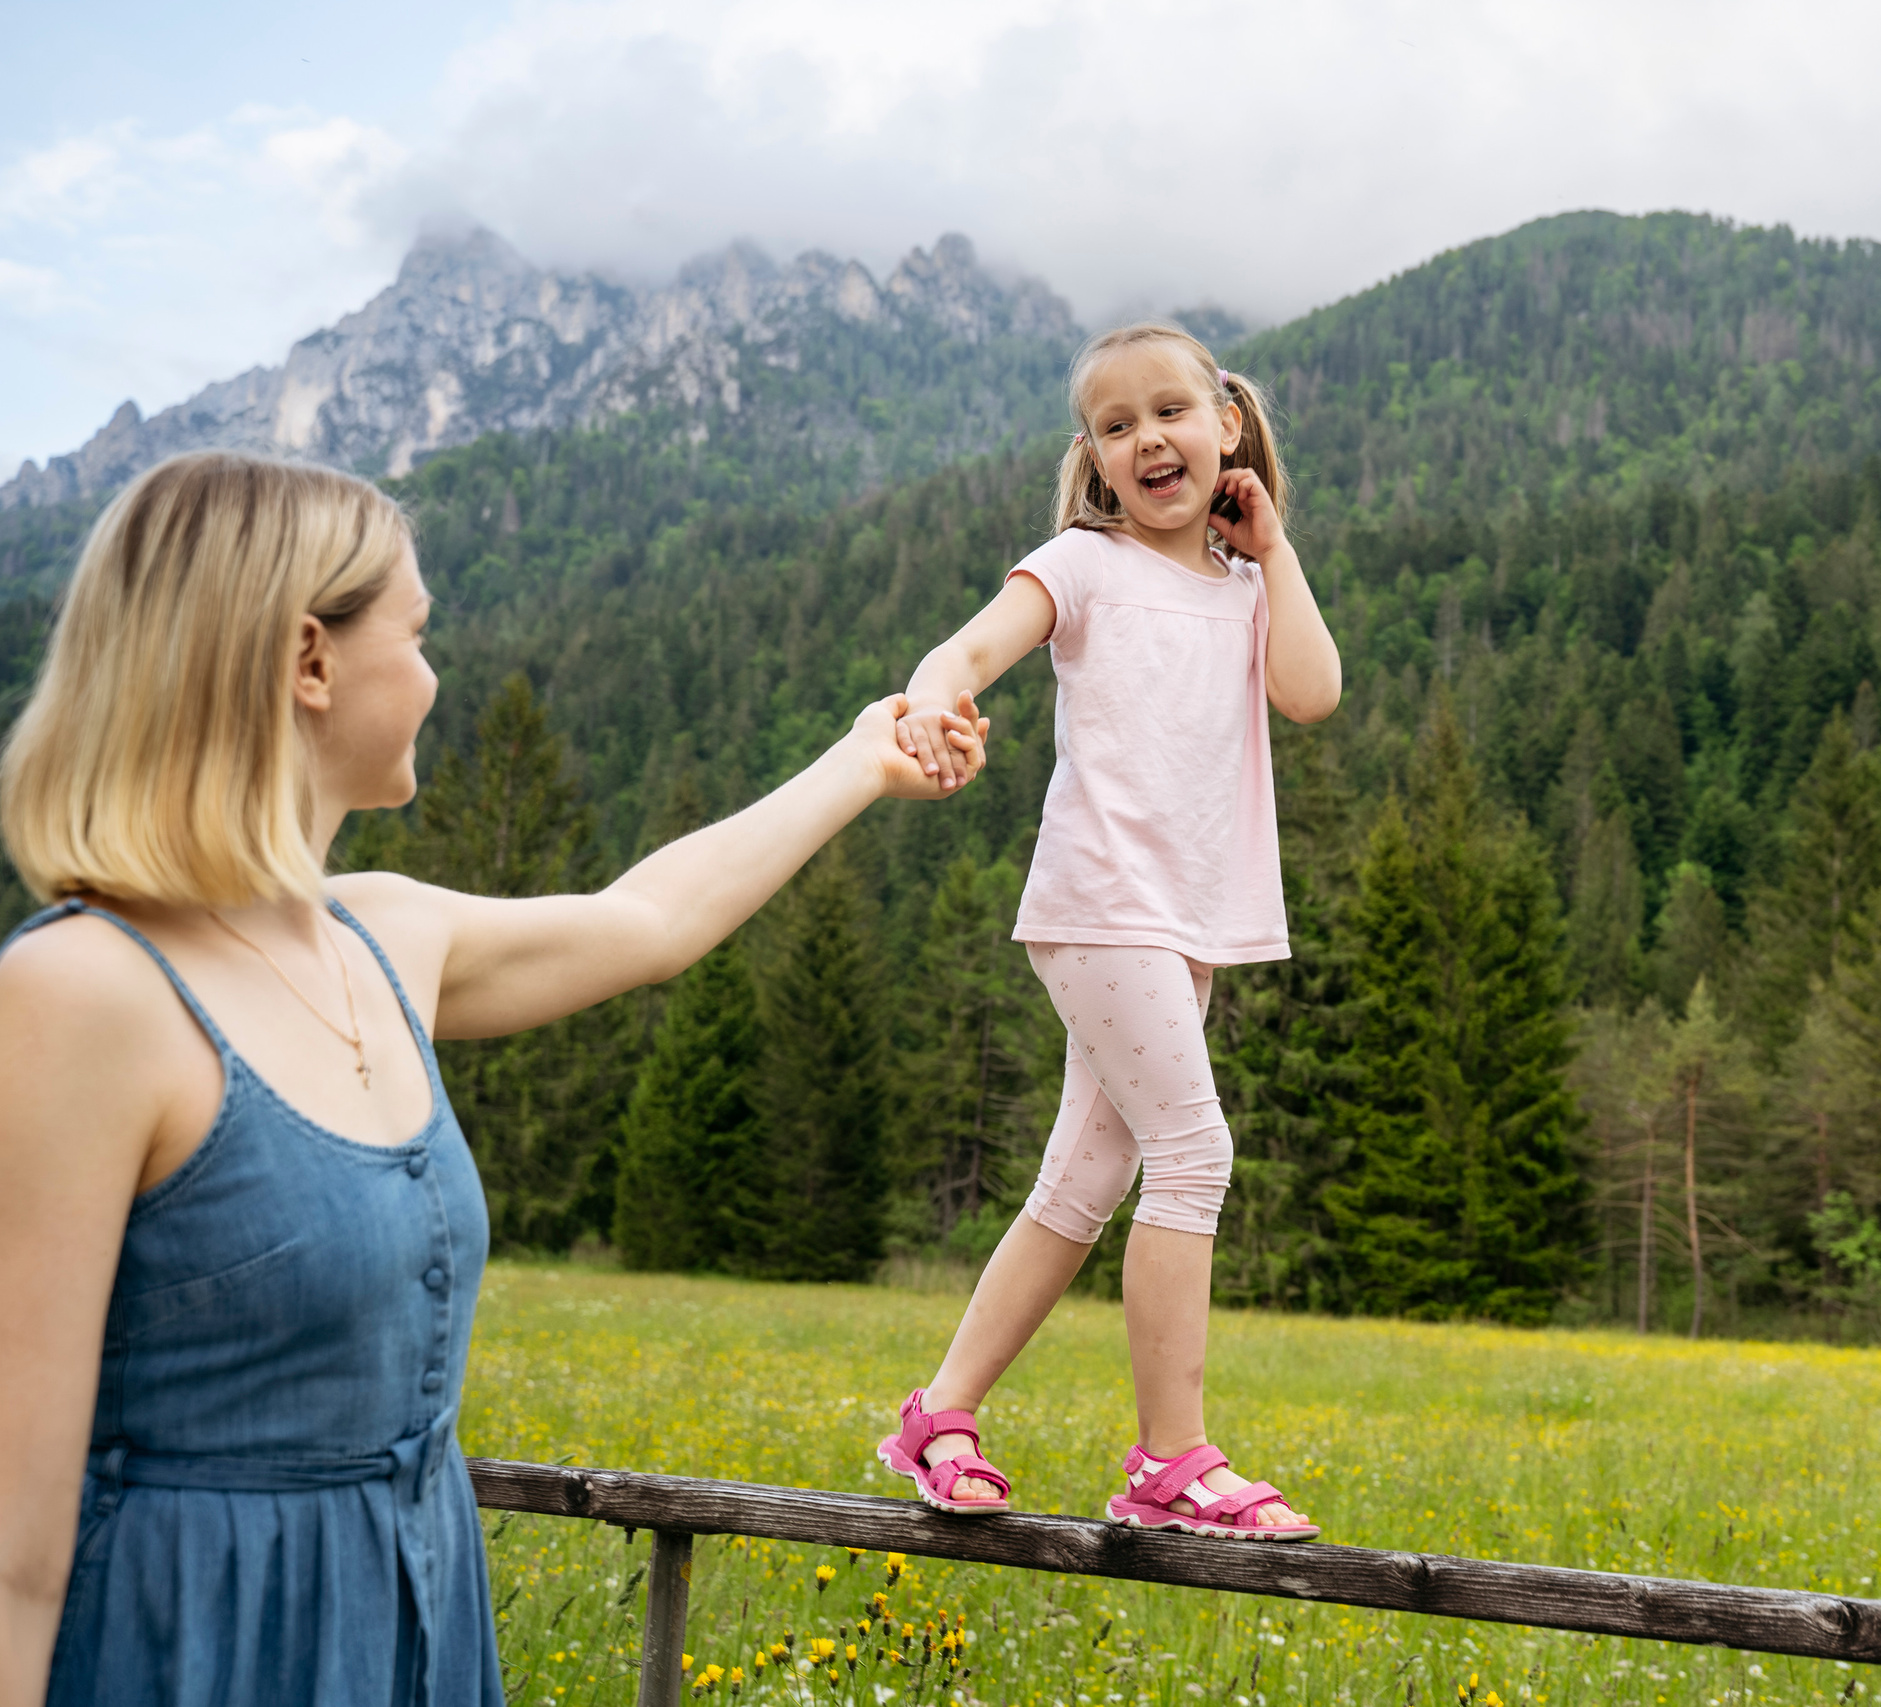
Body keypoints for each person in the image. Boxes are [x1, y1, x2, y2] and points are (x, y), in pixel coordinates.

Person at [0, 452, 980, 1707]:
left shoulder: (382, 934)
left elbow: (649, 919)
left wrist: (861, 762)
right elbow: (18, 1558)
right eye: (415, 634)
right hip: (192, 1643)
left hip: (415, 1624)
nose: (434, 674)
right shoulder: (86, 993)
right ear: (310, 660)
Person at [878, 323, 1340, 1539]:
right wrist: (933, 704)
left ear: (1225, 427)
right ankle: (1173, 1462)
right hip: (1099, 905)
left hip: (1180, 927)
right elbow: (965, 650)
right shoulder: (1082, 568)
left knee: (1083, 1183)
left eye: (1172, 413)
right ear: (1091, 454)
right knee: (1196, 1154)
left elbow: (1313, 692)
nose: (1148, 439)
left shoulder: (1244, 591)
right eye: (1116, 425)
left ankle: (941, 1412)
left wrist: (1274, 547)